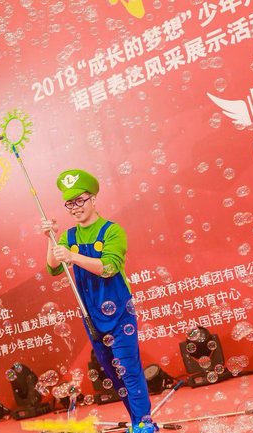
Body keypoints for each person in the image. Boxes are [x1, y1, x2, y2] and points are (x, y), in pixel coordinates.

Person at [43, 169, 156, 433]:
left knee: (129, 370)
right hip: (91, 315)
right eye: (70, 203)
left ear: (93, 199)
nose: (75, 208)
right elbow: (53, 269)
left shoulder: (112, 230)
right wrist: (51, 239)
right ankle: (137, 421)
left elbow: (108, 268)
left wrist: (73, 257)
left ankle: (145, 424)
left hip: (120, 313)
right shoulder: (69, 236)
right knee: (115, 375)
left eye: (80, 200)